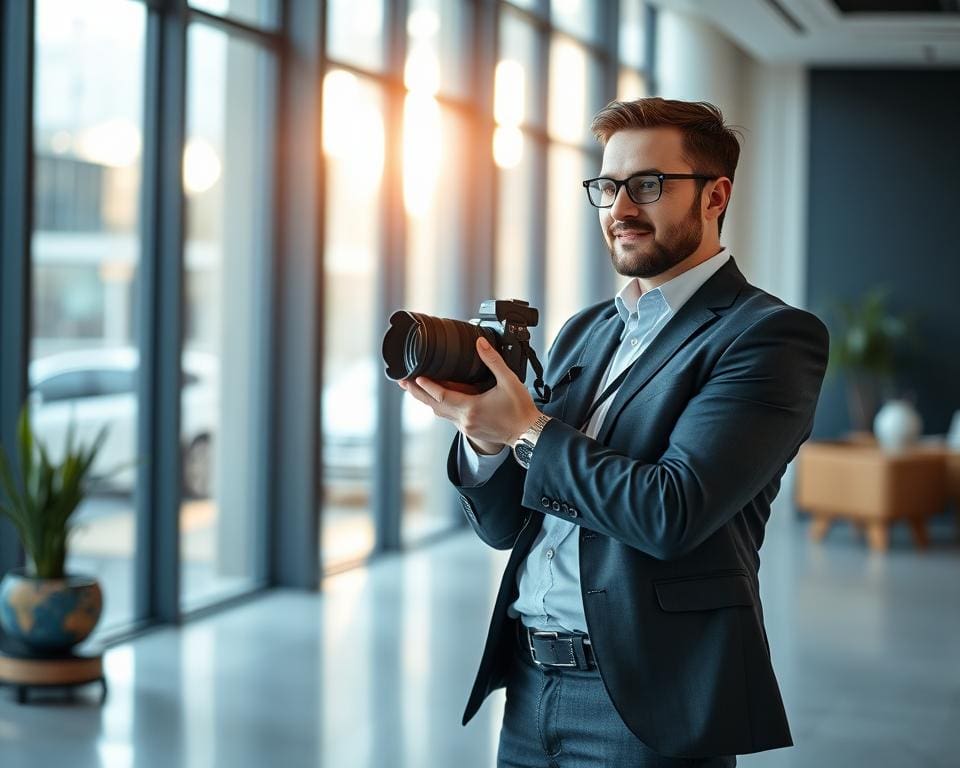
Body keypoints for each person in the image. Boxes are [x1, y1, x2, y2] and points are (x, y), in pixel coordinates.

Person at [398, 97, 829, 768]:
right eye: (607, 187)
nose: (621, 208)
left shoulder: (768, 336)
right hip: (528, 681)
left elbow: (672, 510)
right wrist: (484, 438)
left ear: (716, 196)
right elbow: (508, 525)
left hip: (648, 698)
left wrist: (531, 430)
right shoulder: (588, 329)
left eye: (648, 186)